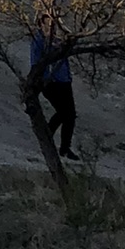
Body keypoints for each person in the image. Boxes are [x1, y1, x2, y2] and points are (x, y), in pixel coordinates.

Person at [31, 16, 77, 158]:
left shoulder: (57, 41)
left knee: (70, 116)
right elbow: (36, 62)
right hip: (50, 82)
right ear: (41, 25)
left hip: (64, 81)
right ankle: (48, 136)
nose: (52, 28)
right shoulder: (39, 41)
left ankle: (65, 148)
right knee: (63, 112)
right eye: (48, 25)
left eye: (53, 25)